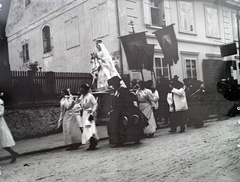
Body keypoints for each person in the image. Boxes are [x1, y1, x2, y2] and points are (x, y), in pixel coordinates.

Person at [107, 76, 148, 148]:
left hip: (126, 109)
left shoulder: (124, 91)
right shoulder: (116, 91)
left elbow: (127, 101)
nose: (113, 87)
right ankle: (119, 140)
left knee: (126, 122)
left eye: (114, 85)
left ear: (117, 84)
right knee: (114, 123)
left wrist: (121, 108)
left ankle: (133, 138)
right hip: (118, 110)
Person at [78, 84, 99, 150]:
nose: (81, 91)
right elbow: (80, 104)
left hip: (89, 114)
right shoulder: (82, 97)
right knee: (86, 128)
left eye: (83, 90)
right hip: (84, 114)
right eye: (80, 90)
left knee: (90, 128)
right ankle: (91, 142)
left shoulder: (90, 96)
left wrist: (92, 111)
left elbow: (95, 104)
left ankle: (93, 143)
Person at [0, 93, 19, 163]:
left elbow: (1, 113)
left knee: (3, 142)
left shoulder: (0, 102)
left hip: (0, 124)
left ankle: (13, 153)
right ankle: (13, 153)